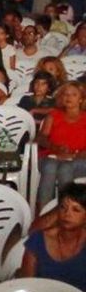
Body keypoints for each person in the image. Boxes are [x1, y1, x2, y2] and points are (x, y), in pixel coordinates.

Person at [21, 183, 86, 292]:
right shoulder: (38, 239)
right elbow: (26, 284)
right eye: (63, 207)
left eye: (76, 210)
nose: (67, 214)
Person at [36, 81, 86, 209]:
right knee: (50, 167)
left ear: (81, 99)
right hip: (52, 155)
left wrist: (75, 155)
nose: (68, 97)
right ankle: (44, 211)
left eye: (73, 95)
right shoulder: (53, 115)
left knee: (66, 168)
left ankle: (65, 211)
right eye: (65, 94)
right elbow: (41, 138)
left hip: (80, 158)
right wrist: (54, 148)